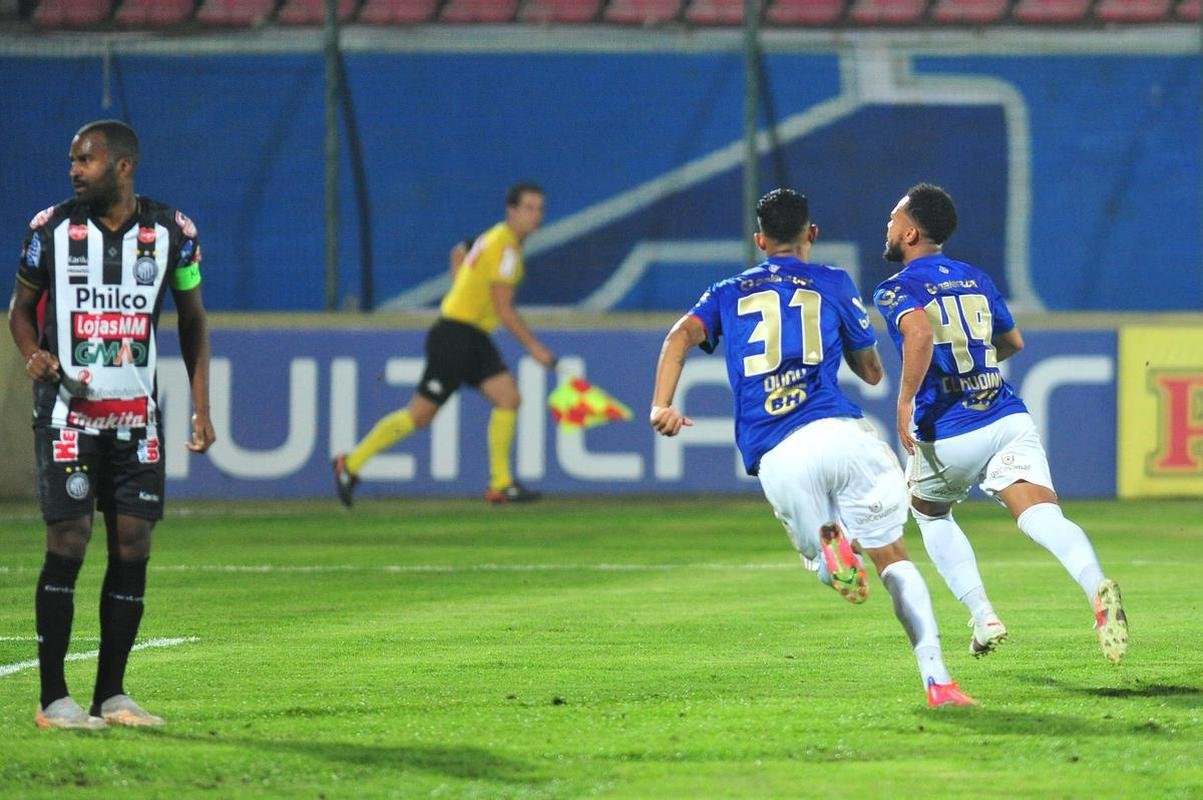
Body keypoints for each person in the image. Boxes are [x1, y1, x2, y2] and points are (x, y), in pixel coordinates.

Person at [650, 188, 976, 707]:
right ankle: (938, 680)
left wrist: (660, 404)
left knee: (821, 561)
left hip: (779, 453)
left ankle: (830, 552)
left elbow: (678, 337)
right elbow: (870, 373)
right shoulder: (832, 281)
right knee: (893, 559)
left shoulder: (727, 291)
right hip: (842, 435)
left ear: (760, 240)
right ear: (812, 234)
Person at [8, 119, 215, 729]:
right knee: (68, 541)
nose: (74, 170)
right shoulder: (49, 230)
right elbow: (21, 310)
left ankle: (111, 695)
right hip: (69, 413)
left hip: (137, 417)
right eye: (73, 160)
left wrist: (201, 407)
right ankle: (53, 700)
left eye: (86, 160)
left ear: (123, 166)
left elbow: (194, 318)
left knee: (134, 545)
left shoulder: (173, 233)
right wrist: (31, 353)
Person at [872, 182, 1128, 663]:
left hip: (948, 430)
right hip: (1005, 414)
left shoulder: (894, 288)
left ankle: (983, 614)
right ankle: (1096, 586)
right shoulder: (974, 277)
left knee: (929, 512)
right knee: (1040, 514)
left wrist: (905, 400)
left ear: (909, 233)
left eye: (892, 219)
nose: (886, 227)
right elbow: (1013, 342)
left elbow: (920, 332)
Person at [334, 183, 556, 506]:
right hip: (455, 336)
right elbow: (504, 307)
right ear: (512, 211)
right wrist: (534, 347)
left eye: (540, 209)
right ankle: (350, 463)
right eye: (529, 208)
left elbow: (459, 252)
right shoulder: (507, 248)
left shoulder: (495, 238)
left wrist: (462, 287)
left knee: (509, 398)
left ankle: (501, 483)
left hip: (470, 335)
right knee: (420, 415)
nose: (536, 216)